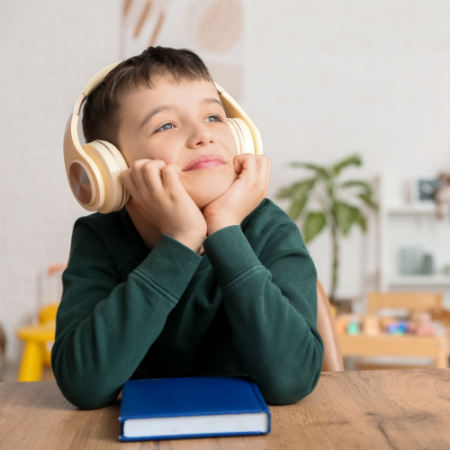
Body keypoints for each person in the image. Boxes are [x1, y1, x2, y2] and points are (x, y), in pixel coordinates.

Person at [52, 46, 324, 410]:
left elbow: (292, 379)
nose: (203, 135)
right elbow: (83, 384)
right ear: (112, 168)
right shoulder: (100, 237)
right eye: (166, 125)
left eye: (214, 116)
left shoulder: (268, 227)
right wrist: (180, 241)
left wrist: (225, 228)